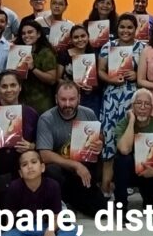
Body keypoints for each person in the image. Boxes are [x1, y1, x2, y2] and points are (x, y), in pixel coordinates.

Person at [0, 149, 82, 236]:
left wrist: (50, 230)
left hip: (47, 228)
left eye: (34, 162)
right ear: (20, 173)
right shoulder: (14, 187)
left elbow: (57, 216)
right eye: (24, 164)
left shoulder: (52, 185)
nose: (29, 166)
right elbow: (10, 217)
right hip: (26, 230)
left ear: (42, 167)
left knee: (73, 230)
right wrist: (2, 229)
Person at [36, 81, 106, 216]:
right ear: (56, 99)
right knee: (50, 168)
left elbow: (100, 136)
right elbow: (44, 155)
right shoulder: (46, 119)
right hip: (61, 172)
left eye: (72, 99)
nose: (67, 104)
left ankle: (73, 197)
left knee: (101, 211)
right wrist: (76, 165)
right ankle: (60, 199)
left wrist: (100, 143)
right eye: (63, 99)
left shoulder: (88, 113)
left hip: (83, 171)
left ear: (79, 99)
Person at [98, 14, 145, 195]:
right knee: (109, 143)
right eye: (122, 27)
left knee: (131, 143)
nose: (126, 30)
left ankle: (128, 185)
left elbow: (148, 74)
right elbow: (100, 71)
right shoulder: (108, 46)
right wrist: (109, 78)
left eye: (129, 27)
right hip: (111, 99)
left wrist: (136, 76)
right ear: (117, 28)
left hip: (133, 99)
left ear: (136, 29)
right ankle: (105, 187)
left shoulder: (143, 48)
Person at [56, 24, 102, 119]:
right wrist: (70, 85)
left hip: (91, 98)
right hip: (70, 98)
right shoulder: (64, 55)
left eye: (83, 36)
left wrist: (92, 88)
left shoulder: (95, 55)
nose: (80, 39)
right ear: (71, 40)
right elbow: (57, 79)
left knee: (89, 125)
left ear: (88, 36)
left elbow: (101, 78)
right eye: (76, 37)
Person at [17, 19, 58, 114]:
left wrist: (33, 68)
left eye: (30, 32)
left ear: (38, 34)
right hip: (23, 102)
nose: (26, 36)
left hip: (42, 104)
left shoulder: (46, 53)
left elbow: (52, 79)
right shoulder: (18, 51)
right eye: (23, 33)